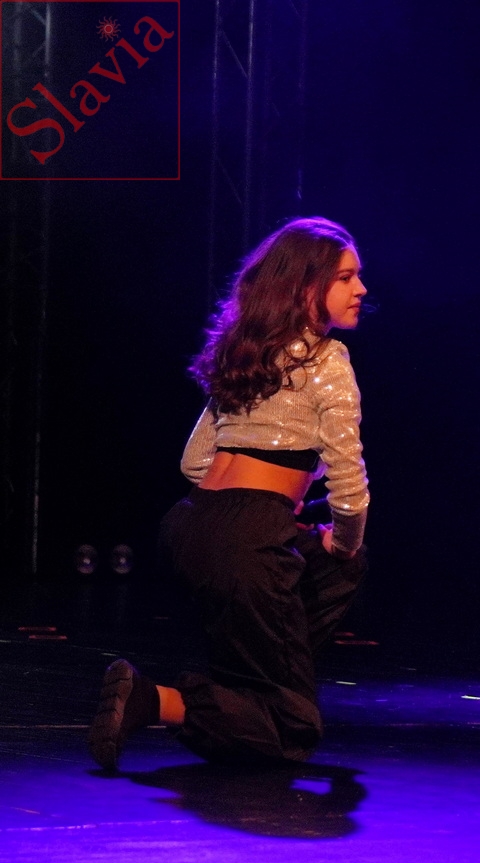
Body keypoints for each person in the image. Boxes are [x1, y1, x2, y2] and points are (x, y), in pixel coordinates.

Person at [88, 217, 372, 769]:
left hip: (190, 523)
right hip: (247, 534)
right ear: (305, 287)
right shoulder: (327, 360)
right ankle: (158, 700)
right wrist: (338, 537)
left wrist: (270, 511)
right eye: (345, 277)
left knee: (334, 567)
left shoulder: (247, 351)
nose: (360, 289)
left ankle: (254, 688)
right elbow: (349, 487)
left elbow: (194, 462)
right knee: (294, 732)